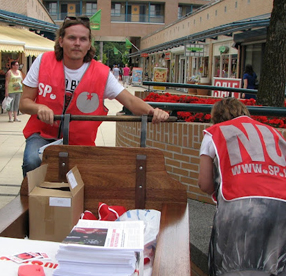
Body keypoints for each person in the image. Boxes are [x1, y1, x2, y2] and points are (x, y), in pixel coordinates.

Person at [19, 16, 169, 177]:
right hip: (42, 134)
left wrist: (152, 111)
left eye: (83, 39)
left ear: (89, 44)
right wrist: (39, 107)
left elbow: (130, 101)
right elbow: (24, 103)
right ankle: (31, 199)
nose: (77, 43)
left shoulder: (102, 73)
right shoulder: (43, 61)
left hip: (80, 142)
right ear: (61, 41)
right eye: (72, 38)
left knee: (86, 179)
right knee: (33, 160)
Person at [198, 97, 286, 276]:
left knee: (233, 270)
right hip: (281, 203)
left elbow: (204, 183)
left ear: (216, 117)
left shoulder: (214, 133)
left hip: (239, 206)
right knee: (275, 268)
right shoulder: (273, 132)